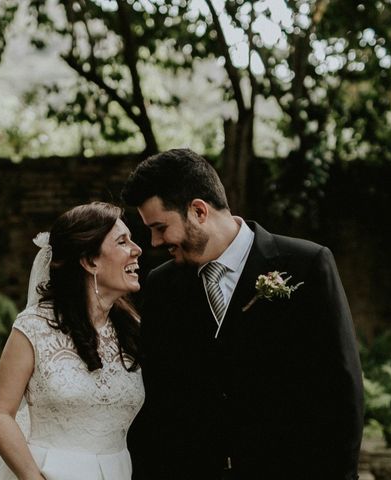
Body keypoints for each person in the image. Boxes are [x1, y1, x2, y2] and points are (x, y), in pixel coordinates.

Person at [122, 149, 364, 480]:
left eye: (160, 227)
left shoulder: (306, 264)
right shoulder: (163, 285)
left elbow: (340, 394)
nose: (154, 241)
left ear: (198, 211)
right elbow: (160, 401)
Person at [0, 202, 145, 480]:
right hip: (48, 472)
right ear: (90, 261)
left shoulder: (132, 329)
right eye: (122, 241)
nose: (137, 249)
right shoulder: (34, 326)